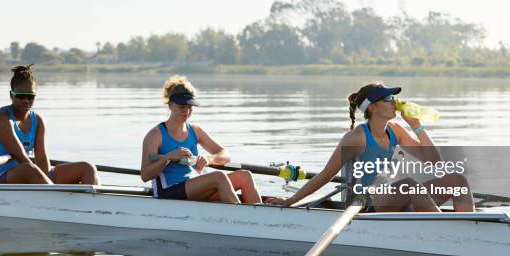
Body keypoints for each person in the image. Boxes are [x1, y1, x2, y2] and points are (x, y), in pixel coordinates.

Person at [267, 82, 474, 212]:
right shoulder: (356, 138)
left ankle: (469, 230)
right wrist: (291, 201)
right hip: (364, 204)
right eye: (388, 98)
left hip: (393, 197)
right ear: (373, 107)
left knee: (456, 179)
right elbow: (326, 174)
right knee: (410, 184)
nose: (394, 102)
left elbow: (433, 161)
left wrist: (416, 125)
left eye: (393, 97)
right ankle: (449, 235)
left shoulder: (396, 130)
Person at [140, 75, 262, 204]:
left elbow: (225, 154)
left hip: (194, 187)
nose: (186, 111)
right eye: (182, 106)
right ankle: (244, 218)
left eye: (190, 107)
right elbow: (145, 175)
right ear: (170, 104)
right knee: (219, 177)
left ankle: (262, 218)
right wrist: (168, 157)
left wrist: (209, 160)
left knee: (245, 176)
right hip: (169, 191)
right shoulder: (155, 135)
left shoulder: (195, 131)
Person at [0, 65, 99, 185]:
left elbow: (42, 161)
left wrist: (48, 178)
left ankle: (93, 201)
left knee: (88, 168)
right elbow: (21, 158)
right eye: (21, 96)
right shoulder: (1, 117)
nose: (26, 100)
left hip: (31, 174)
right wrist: (52, 185)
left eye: (30, 96)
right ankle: (55, 199)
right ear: (11, 95)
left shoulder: (37, 120)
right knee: (30, 169)